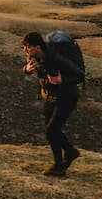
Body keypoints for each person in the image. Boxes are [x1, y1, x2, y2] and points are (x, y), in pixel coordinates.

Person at [22, 31, 82, 176]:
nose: (25, 50)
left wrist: (63, 81)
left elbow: (79, 75)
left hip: (66, 97)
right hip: (49, 97)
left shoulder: (56, 58)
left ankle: (61, 161)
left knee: (51, 130)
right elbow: (31, 69)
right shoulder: (35, 56)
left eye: (27, 47)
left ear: (37, 47)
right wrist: (27, 70)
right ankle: (65, 157)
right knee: (51, 132)